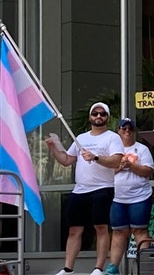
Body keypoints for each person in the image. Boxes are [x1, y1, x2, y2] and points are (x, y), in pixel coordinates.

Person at [45, 102, 124, 275]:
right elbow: (66, 160)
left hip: (103, 188)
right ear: (90, 117)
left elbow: (117, 161)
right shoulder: (80, 138)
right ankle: (68, 268)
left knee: (101, 228)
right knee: (74, 230)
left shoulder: (112, 137)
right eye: (95, 113)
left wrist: (95, 157)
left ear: (107, 117)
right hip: (80, 190)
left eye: (102, 114)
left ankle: (98, 268)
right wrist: (53, 148)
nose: (98, 116)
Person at [104, 118, 154, 275]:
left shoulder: (142, 149)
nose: (127, 131)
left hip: (139, 197)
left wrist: (132, 166)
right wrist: (119, 167)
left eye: (130, 128)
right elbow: (102, 174)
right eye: (123, 128)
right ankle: (113, 267)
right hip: (117, 198)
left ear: (134, 131)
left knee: (140, 231)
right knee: (118, 232)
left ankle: (145, 268)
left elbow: (149, 171)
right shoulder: (111, 150)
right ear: (118, 130)